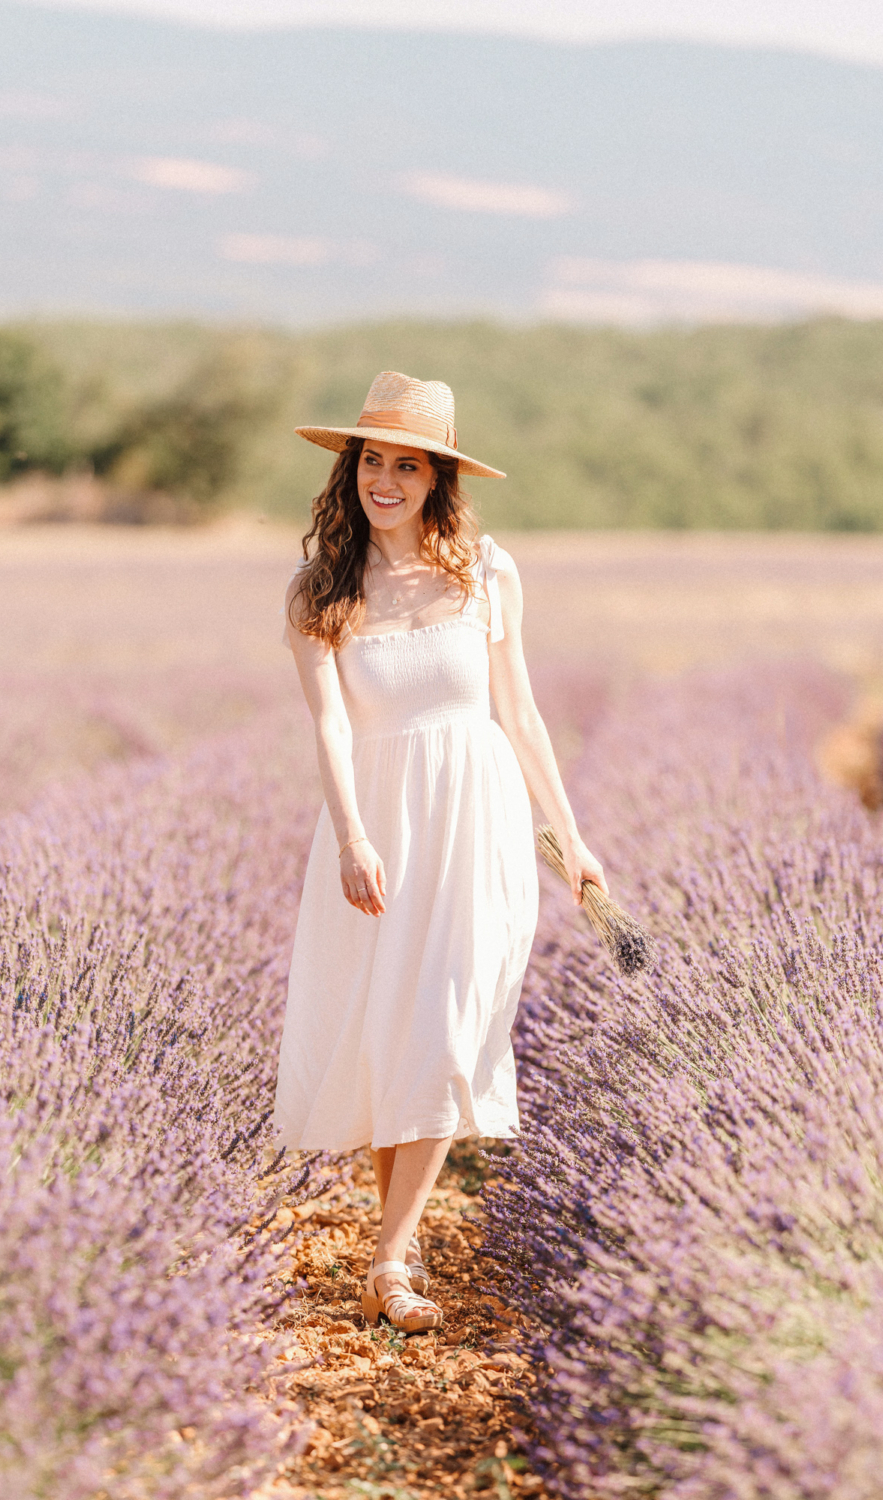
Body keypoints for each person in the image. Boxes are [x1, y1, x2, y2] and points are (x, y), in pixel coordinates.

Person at [275, 371, 606, 1333]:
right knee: (394, 1035)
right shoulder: (319, 592)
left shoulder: (486, 571)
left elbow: (521, 714)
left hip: (480, 821)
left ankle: (386, 1258)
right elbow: (331, 731)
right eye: (371, 460)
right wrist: (351, 836)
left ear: (436, 478)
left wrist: (571, 838)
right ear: (350, 473)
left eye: (406, 465)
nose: (385, 479)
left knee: (452, 1021)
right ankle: (397, 1255)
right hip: (376, 826)